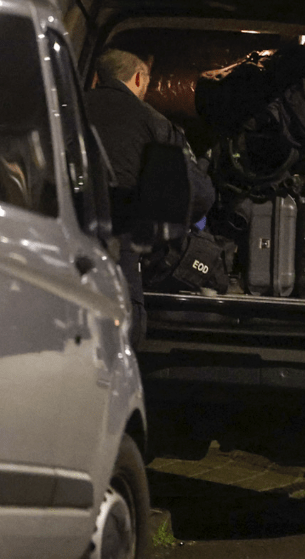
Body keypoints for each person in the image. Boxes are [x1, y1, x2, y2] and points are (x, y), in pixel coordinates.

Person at [85, 47, 215, 348]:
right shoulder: (151, 121)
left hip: (55, 246)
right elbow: (199, 195)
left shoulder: (64, 110)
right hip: (117, 251)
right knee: (119, 347)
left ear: (96, 78)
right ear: (139, 77)